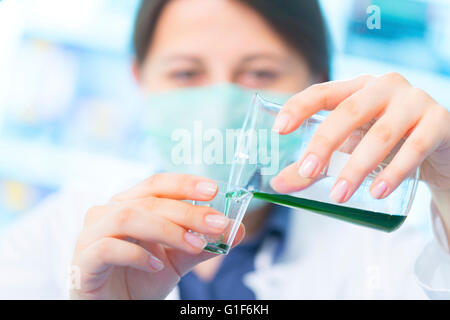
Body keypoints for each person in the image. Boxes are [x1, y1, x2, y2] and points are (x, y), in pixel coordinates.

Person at [0, 0, 449, 300]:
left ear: (319, 84)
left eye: (259, 73)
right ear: (140, 81)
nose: (219, 110)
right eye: (185, 74)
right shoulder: (51, 238)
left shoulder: (381, 256)